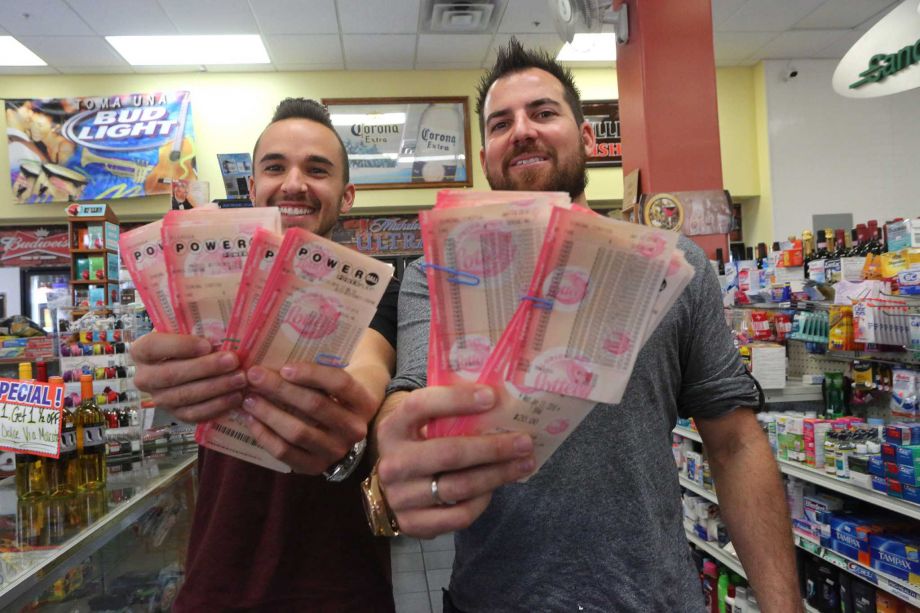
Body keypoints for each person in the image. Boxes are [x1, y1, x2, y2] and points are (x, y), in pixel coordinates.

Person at [372, 39, 802, 612]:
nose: (522, 129)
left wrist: (783, 605)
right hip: (493, 600)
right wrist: (396, 441)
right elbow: (408, 395)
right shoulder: (438, 272)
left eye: (544, 113)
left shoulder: (671, 266)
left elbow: (735, 443)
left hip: (653, 598)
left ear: (586, 137)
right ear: (486, 155)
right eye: (501, 123)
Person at [131, 98, 399, 612]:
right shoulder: (204, 287)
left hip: (340, 585)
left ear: (347, 197)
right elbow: (161, 370)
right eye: (275, 167)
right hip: (217, 579)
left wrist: (350, 412)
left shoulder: (378, 287)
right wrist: (157, 370)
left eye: (317, 170)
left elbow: (369, 367)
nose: (294, 183)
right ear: (252, 189)